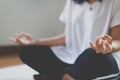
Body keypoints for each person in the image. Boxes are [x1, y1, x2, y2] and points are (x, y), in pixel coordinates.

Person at [9, 0, 120, 80]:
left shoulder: (115, 2)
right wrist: (35, 42)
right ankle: (66, 77)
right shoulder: (72, 2)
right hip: (71, 57)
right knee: (28, 51)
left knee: (92, 54)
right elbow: (68, 36)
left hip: (96, 57)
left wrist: (109, 47)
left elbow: (117, 40)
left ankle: (56, 74)